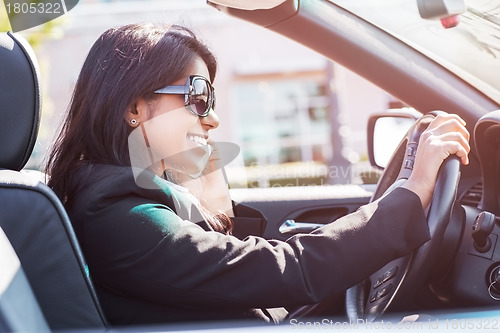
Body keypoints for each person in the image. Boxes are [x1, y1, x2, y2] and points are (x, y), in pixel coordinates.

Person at [46, 23, 470, 326]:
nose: (211, 118)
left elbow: (236, 274)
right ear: (134, 108)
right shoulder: (120, 214)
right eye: (196, 95)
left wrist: (216, 209)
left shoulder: (133, 198)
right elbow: (284, 270)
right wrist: (411, 193)